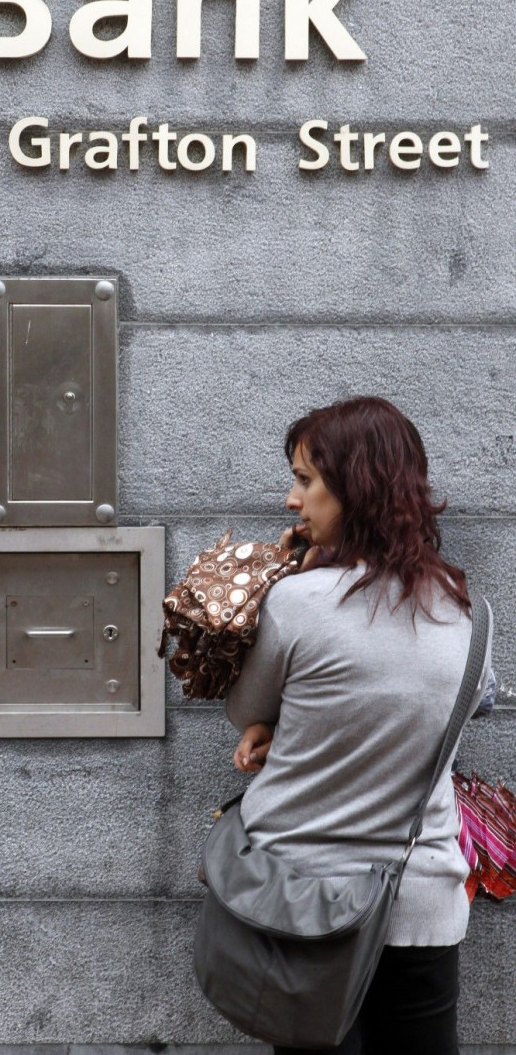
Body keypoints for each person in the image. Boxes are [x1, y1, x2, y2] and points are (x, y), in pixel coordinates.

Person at [224, 396, 492, 1055]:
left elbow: (244, 707)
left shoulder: (297, 602)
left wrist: (293, 582)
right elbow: (468, 702)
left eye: (305, 480)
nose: (292, 500)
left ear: (355, 487)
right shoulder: (468, 611)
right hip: (421, 902)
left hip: (308, 905)